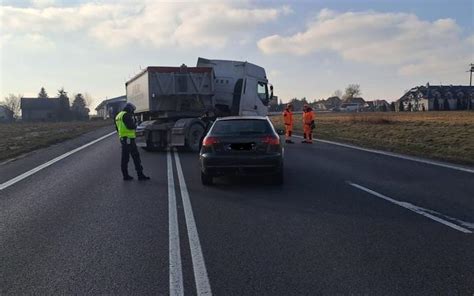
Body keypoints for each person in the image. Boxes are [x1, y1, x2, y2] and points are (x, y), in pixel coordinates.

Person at [115, 103, 150, 181]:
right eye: (133, 111)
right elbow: (130, 126)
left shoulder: (118, 116)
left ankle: (125, 175)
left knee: (124, 158)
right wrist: (136, 124)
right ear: (130, 109)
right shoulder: (126, 115)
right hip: (129, 140)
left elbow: (117, 129)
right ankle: (140, 175)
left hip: (123, 139)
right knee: (136, 157)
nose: (133, 112)